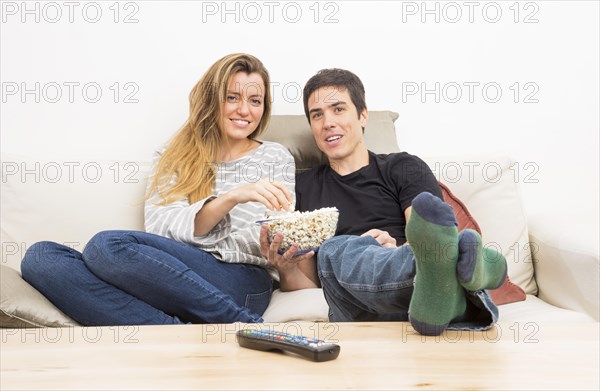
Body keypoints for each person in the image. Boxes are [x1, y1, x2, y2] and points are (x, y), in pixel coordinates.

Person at [21, 53, 296, 326]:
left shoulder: (274, 157)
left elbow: (264, 240)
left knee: (107, 246)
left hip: (241, 282)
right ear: (211, 99)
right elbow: (159, 228)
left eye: (255, 101)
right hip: (167, 278)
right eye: (232, 97)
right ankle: (177, 331)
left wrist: (188, 243)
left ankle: (238, 320)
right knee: (41, 257)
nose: (245, 110)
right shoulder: (175, 154)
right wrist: (231, 198)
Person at [261, 68, 507, 336]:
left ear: (363, 115)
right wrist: (284, 268)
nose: (327, 122)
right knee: (336, 250)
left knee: (424, 252)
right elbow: (308, 282)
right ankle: (486, 267)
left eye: (338, 109)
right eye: (317, 115)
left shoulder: (404, 167)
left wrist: (396, 249)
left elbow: (427, 234)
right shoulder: (302, 188)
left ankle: (441, 297)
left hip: (419, 288)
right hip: (352, 298)